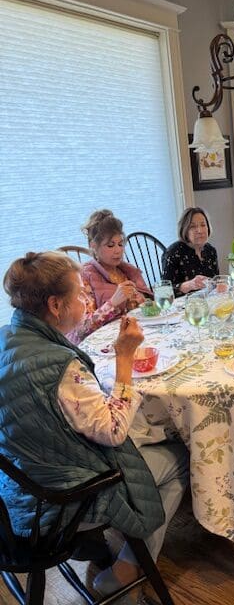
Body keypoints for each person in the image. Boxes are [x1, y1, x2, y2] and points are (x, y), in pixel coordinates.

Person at [0, 251, 189, 595]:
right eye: (80, 294)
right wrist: (125, 357)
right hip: (59, 500)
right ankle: (127, 571)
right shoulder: (60, 366)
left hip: (18, 483)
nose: (87, 300)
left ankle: (109, 545)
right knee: (181, 457)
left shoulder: (7, 338)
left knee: (145, 433)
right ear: (55, 305)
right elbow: (113, 431)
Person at [67, 209, 152, 344]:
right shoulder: (84, 277)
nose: (118, 250)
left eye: (120, 244)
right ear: (93, 246)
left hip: (130, 337)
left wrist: (142, 300)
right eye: (110, 245)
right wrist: (113, 303)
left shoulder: (127, 271)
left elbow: (144, 309)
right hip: (100, 345)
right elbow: (81, 329)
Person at [162, 206, 219, 296]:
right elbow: (164, 292)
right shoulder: (173, 253)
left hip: (208, 300)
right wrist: (188, 285)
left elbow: (215, 281)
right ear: (184, 230)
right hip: (183, 303)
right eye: (193, 226)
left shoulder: (211, 251)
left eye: (203, 225)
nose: (199, 231)